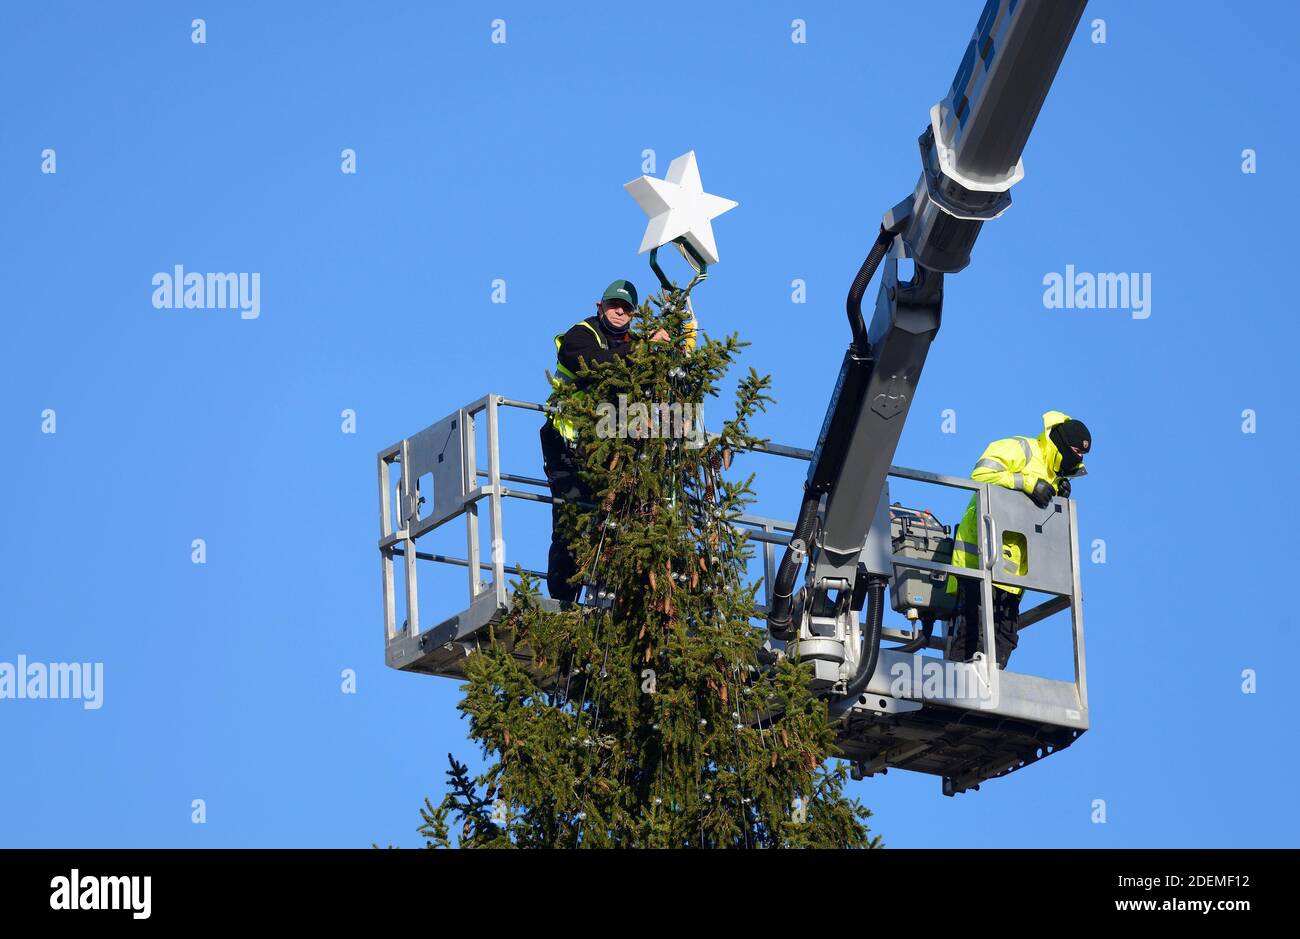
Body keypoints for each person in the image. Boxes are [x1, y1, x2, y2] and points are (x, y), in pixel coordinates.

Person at [540, 279, 692, 603]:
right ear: (600, 306)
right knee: (572, 524)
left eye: (626, 308)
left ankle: (612, 601)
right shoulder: (580, 336)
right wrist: (643, 348)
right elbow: (596, 365)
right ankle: (562, 604)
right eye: (613, 305)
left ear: (634, 315)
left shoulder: (637, 344)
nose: (619, 311)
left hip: (609, 454)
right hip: (567, 448)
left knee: (614, 526)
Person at [945, 410, 1092, 668]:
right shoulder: (1021, 449)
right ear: (1060, 443)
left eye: (1082, 456)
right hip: (978, 558)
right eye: (1075, 452)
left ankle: (987, 691)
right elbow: (980, 475)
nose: (1077, 459)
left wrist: (1057, 497)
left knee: (1005, 637)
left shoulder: (1057, 476)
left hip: (1013, 574)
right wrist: (1024, 482)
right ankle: (954, 690)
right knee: (973, 628)